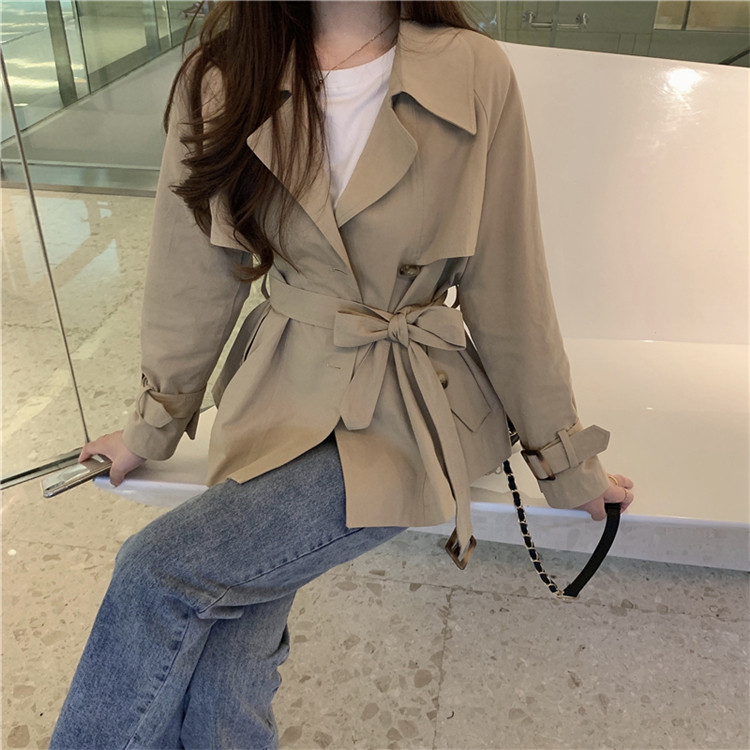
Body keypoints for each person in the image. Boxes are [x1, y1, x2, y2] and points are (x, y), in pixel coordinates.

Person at [49, 1, 635, 747]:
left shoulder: (472, 69)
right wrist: (152, 424)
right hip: (278, 386)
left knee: (157, 573)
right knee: (232, 653)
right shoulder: (224, 76)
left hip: (413, 402)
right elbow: (192, 273)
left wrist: (565, 457)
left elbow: (509, 281)